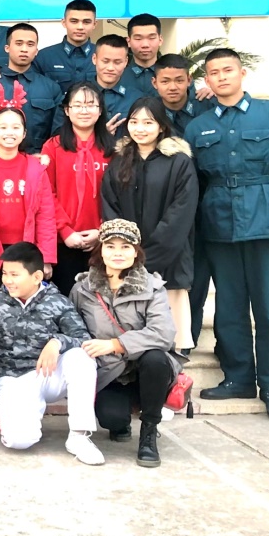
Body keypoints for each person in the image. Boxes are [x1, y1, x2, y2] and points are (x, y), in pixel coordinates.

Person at [185, 48, 269, 422]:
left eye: (228, 70)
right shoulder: (197, 127)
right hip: (218, 223)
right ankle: (238, 378)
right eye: (214, 72)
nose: (221, 77)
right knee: (230, 308)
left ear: (242, 74)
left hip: (265, 221)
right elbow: (193, 183)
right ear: (206, 80)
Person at [0, 241, 103, 465]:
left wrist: (57, 341)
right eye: (5, 274)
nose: (7, 280)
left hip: (49, 373)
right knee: (19, 441)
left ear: (37, 276)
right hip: (15, 377)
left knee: (82, 358)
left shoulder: (57, 301)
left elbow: (84, 339)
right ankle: (30, 409)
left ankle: (79, 437)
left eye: (14, 274)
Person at [70, 219, 183, 467]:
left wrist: (116, 344)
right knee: (112, 419)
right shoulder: (83, 289)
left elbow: (163, 333)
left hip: (146, 370)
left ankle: (149, 431)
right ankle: (121, 420)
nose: (118, 253)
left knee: (155, 358)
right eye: (110, 246)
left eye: (125, 246)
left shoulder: (152, 287)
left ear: (135, 251)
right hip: (109, 371)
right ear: (101, 250)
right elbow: (71, 328)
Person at [0, 97, 57, 400]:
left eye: (15, 127)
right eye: (2, 127)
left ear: (24, 132)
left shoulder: (36, 166)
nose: (9, 132)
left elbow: (46, 214)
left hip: (27, 252)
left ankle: (26, 371)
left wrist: (44, 258)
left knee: (29, 315)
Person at [102, 97, 199, 351]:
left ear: (161, 126)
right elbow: (110, 208)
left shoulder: (179, 162)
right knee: (134, 336)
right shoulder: (119, 161)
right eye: (134, 122)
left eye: (148, 122)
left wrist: (146, 257)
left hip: (170, 258)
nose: (140, 128)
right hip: (127, 260)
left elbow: (180, 214)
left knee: (171, 336)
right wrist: (127, 252)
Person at [43, 81, 115, 297]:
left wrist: (102, 230)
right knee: (67, 301)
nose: (84, 110)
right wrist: (65, 231)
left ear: (100, 110)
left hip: (104, 241)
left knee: (101, 303)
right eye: (78, 105)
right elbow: (46, 194)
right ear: (67, 110)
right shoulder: (53, 147)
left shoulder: (113, 148)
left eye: (91, 105)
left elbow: (120, 196)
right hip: (63, 241)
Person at [0, 23, 65, 153]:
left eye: (30, 44)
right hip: (0, 158)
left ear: (36, 51)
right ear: (7, 48)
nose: (24, 49)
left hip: (38, 158)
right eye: (19, 43)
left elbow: (57, 132)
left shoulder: (50, 88)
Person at [35, 0, 98, 92]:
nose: (80, 27)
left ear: (94, 24)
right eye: (74, 21)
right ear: (64, 23)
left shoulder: (104, 56)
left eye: (86, 22)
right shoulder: (44, 57)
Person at [152, 54, 212, 136]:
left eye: (179, 81)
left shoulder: (208, 106)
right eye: (165, 81)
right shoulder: (149, 112)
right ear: (154, 83)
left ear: (189, 80)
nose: (173, 87)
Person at [92, 34, 136, 121]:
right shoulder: (77, 96)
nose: (110, 68)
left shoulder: (136, 98)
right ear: (94, 59)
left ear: (126, 62)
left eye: (117, 62)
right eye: (105, 61)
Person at [119, 13, 164, 98]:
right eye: (138, 38)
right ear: (128, 42)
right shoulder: (118, 76)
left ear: (160, 40)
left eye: (151, 38)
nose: (145, 45)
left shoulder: (172, 76)